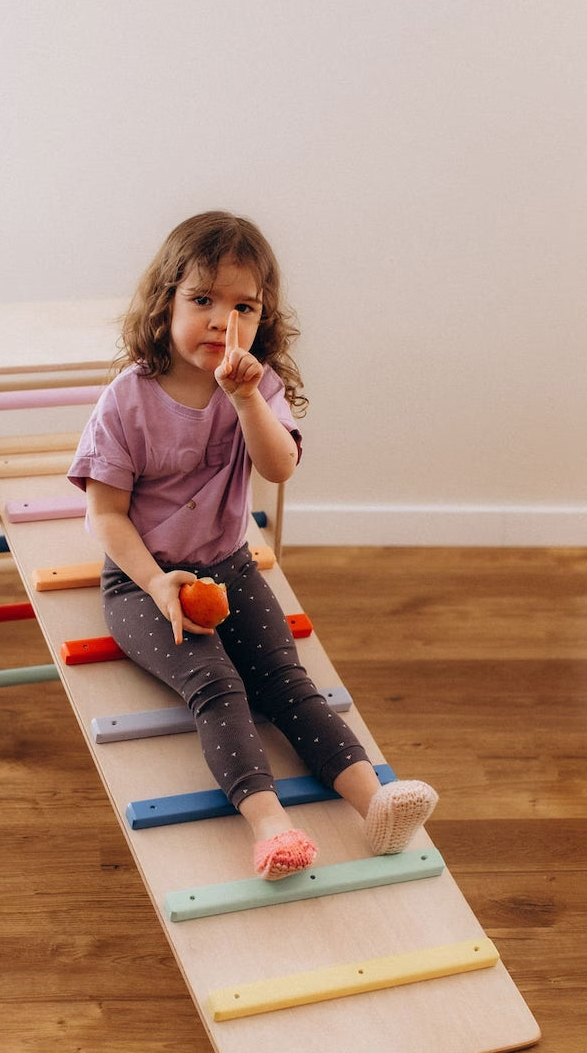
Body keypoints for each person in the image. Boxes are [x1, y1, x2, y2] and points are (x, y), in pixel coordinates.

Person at [68, 211, 437, 880]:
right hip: (142, 583)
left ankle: (375, 801)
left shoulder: (257, 387)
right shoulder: (127, 401)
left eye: (243, 305)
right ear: (164, 305)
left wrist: (243, 400)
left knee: (289, 682)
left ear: (262, 318)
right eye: (202, 300)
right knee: (217, 683)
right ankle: (270, 826)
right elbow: (105, 514)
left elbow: (278, 467)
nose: (221, 320)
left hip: (229, 568)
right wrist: (156, 582)